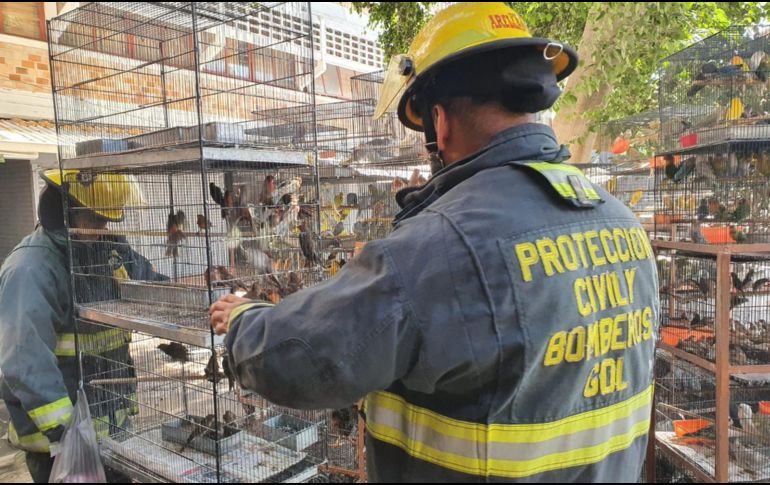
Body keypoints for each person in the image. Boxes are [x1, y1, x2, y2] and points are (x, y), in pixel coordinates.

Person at [210, 3, 659, 482]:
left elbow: (304, 359)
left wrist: (243, 321)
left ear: (439, 122)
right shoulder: (620, 222)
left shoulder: (440, 244)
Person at [0, 169, 165, 483]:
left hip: (111, 433)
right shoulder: (32, 269)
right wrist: (70, 437)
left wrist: (205, 299)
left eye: (106, 222)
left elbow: (151, 286)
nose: (102, 231)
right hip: (60, 448)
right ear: (63, 214)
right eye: (94, 221)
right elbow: (26, 364)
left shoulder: (109, 252)